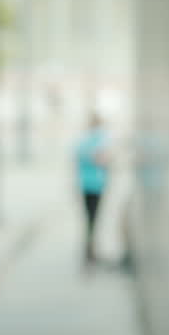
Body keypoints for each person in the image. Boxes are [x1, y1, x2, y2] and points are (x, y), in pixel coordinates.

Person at [75, 112, 109, 266]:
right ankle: (91, 251)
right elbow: (102, 160)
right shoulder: (100, 140)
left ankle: (88, 249)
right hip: (97, 185)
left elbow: (76, 160)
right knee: (94, 218)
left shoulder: (83, 141)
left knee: (88, 218)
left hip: (84, 184)